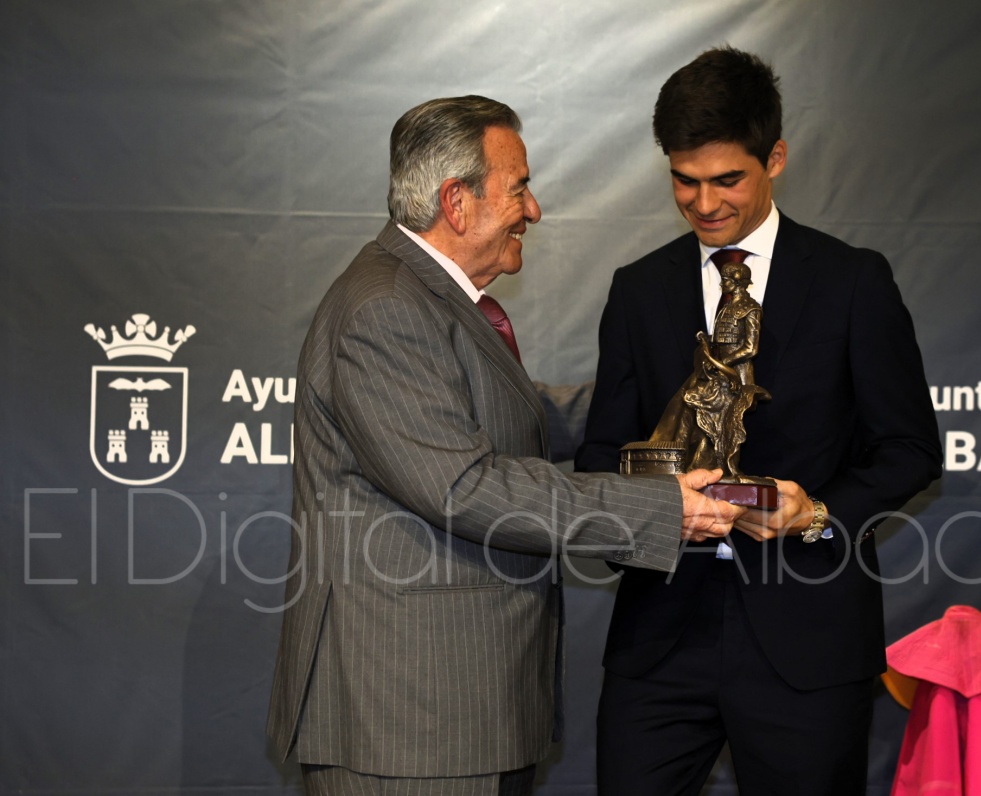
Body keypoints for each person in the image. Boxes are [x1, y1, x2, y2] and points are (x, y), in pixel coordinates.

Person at [266, 95, 744, 796]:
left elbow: (509, 417)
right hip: (409, 722)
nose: (534, 210)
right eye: (518, 188)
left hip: (460, 709)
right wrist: (661, 509)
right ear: (456, 202)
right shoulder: (385, 307)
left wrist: (655, 396)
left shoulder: (424, 297)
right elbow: (464, 486)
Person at [576, 48, 943, 795]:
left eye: (727, 179)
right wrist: (652, 515)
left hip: (807, 637)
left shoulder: (853, 281)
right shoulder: (637, 290)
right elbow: (602, 454)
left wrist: (817, 514)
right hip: (659, 640)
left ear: (774, 158)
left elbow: (909, 449)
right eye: (684, 179)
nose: (703, 202)